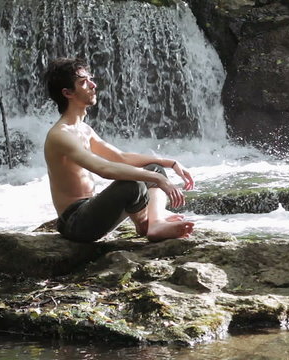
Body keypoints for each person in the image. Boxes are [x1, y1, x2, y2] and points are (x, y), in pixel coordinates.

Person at [43, 57, 194, 243]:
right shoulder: (60, 135)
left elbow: (120, 157)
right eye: (83, 82)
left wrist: (169, 163)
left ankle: (154, 223)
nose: (93, 85)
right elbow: (105, 169)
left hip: (90, 209)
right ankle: (147, 225)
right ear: (67, 93)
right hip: (75, 222)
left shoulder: (85, 130)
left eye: (90, 79)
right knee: (133, 184)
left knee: (153, 167)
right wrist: (159, 179)